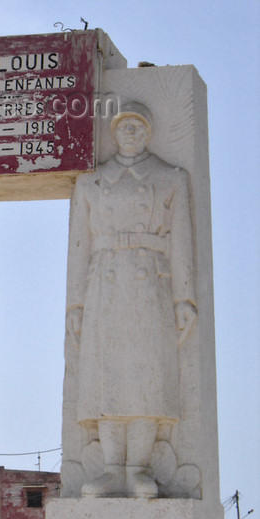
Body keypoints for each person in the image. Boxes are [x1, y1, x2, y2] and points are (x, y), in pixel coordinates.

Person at [67, 101, 196, 498]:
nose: (130, 134)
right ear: (113, 133)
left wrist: (184, 299)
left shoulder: (168, 178)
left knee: (145, 379)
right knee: (106, 381)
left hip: (148, 283)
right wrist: (75, 305)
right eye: (123, 127)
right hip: (103, 285)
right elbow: (78, 247)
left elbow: (182, 244)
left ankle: (138, 468)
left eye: (138, 127)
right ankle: (110, 469)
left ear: (149, 133)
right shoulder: (92, 181)